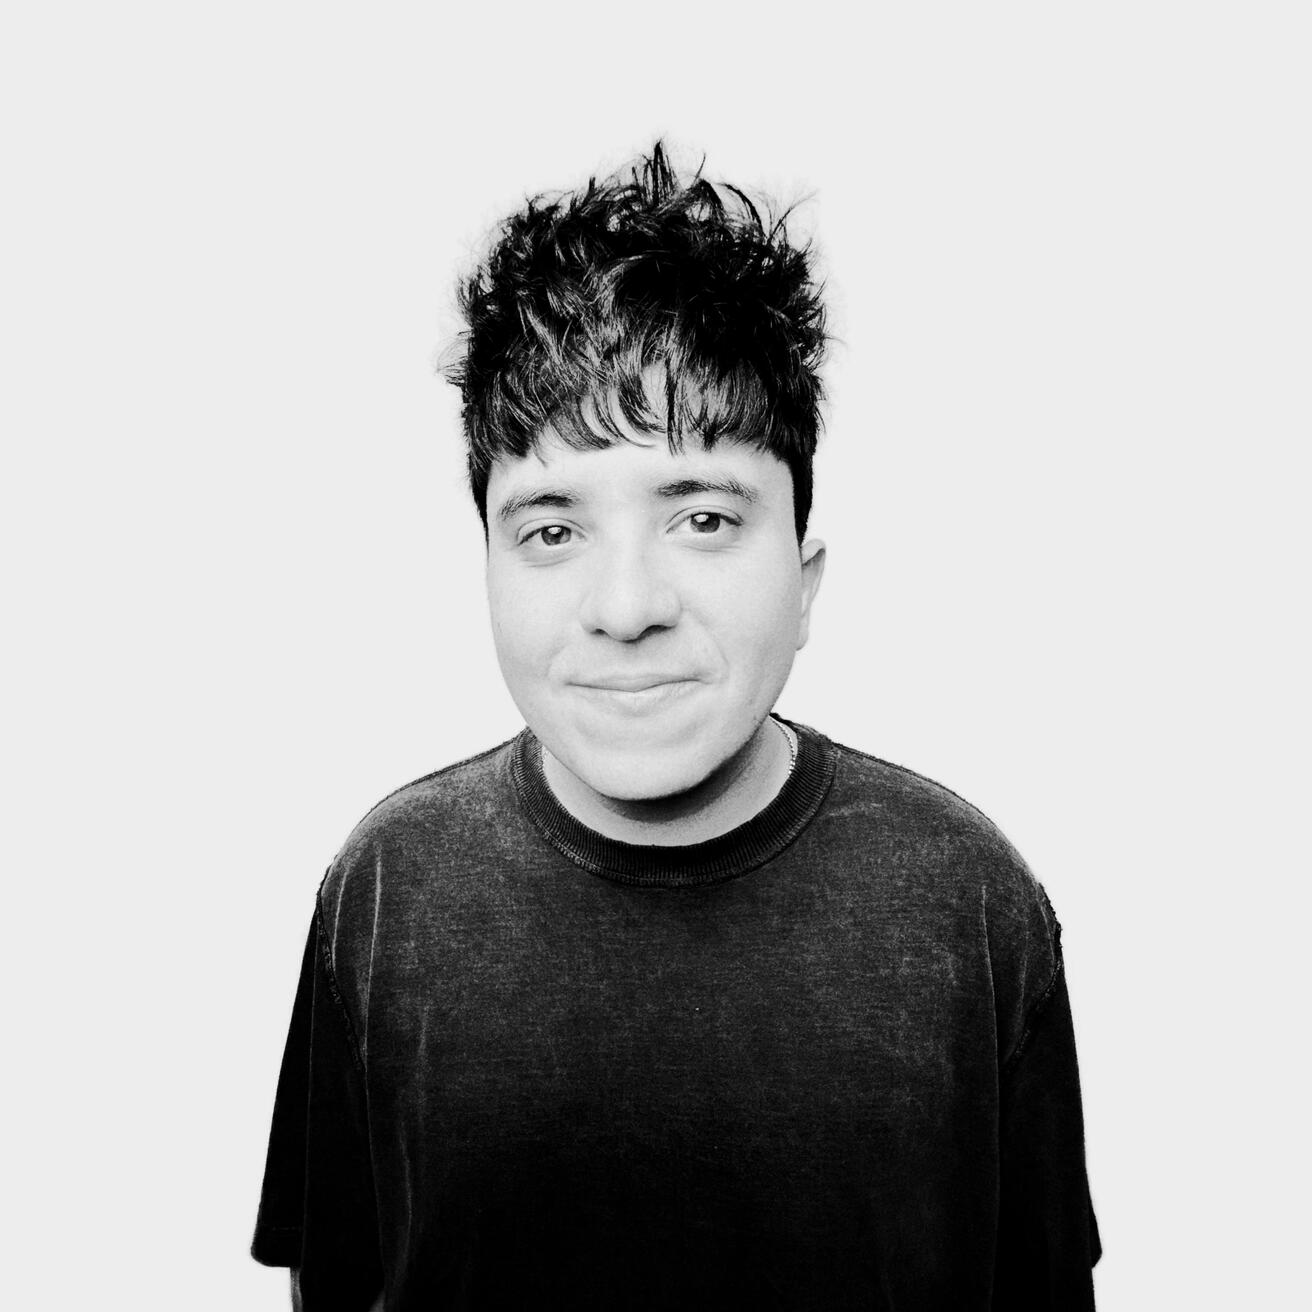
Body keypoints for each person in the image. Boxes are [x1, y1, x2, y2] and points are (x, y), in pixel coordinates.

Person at [251, 143, 1101, 1310]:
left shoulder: (967, 902)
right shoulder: (387, 888)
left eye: (701, 518)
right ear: (485, 568)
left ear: (804, 579)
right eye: (552, 530)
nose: (626, 606)